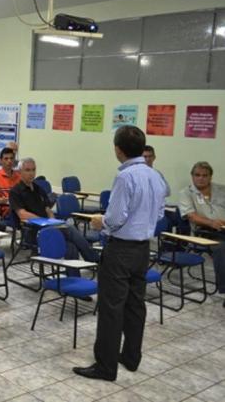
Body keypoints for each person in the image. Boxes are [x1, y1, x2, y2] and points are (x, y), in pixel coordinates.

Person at [73, 126, 166, 381]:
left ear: (118, 149)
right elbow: (159, 214)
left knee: (112, 307)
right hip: (143, 249)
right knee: (135, 305)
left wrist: (99, 222)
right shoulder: (155, 175)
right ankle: (131, 357)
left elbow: (115, 218)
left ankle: (105, 366)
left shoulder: (126, 177)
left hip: (121, 250)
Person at [9, 158, 99, 276]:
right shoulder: (15, 191)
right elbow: (22, 214)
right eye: (27, 170)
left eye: (33, 170)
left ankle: (74, 280)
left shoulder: (38, 189)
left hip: (49, 226)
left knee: (70, 247)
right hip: (32, 231)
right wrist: (45, 221)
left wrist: (51, 219)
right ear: (20, 172)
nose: (31, 173)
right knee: (69, 228)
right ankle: (95, 260)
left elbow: (48, 209)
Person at [178, 161, 225, 305]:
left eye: (205, 175)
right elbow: (191, 216)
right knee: (222, 249)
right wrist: (212, 223)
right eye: (197, 175)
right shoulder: (186, 193)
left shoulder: (221, 189)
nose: (201, 178)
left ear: (210, 177)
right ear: (192, 176)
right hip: (204, 232)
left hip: (223, 228)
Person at [0, 147, 20, 218]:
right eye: (6, 159)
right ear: (1, 161)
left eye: (11, 158)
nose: (9, 161)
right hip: (7, 210)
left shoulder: (18, 175)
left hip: (19, 207)